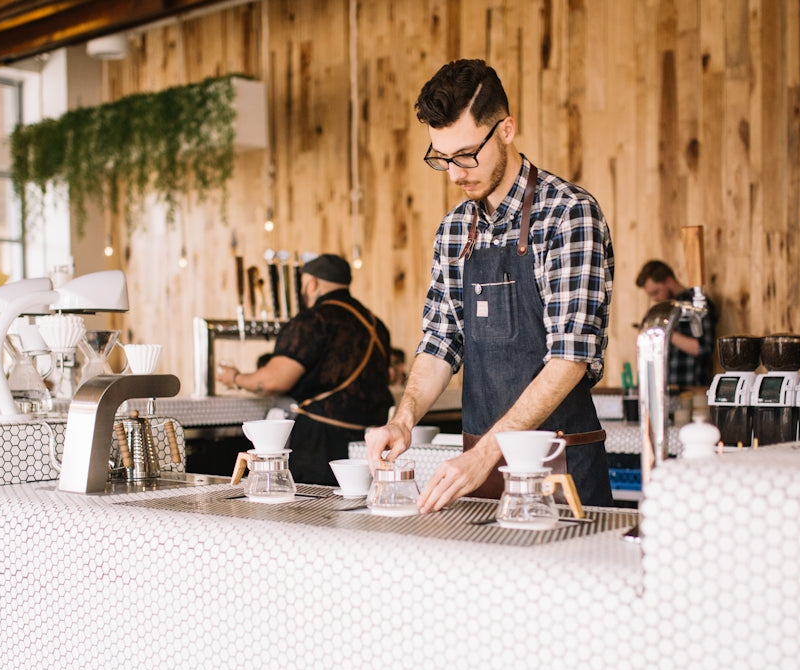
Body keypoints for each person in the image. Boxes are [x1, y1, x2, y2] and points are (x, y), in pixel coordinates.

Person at [366, 59, 615, 511]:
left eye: (465, 154)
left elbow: (570, 359)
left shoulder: (568, 214)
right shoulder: (455, 229)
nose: (456, 173)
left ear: (506, 130)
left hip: (559, 472)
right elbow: (441, 341)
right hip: (478, 472)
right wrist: (402, 420)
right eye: (442, 159)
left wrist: (486, 453)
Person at [217, 253, 393, 485]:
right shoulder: (375, 324)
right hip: (369, 443)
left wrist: (235, 378)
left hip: (321, 444)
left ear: (312, 283)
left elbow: (272, 381)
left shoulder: (315, 320)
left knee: (314, 513)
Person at [635, 259, 718, 389]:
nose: (654, 299)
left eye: (656, 292)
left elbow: (704, 349)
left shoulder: (696, 305)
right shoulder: (665, 309)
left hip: (692, 389)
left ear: (669, 281)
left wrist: (664, 331)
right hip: (665, 389)